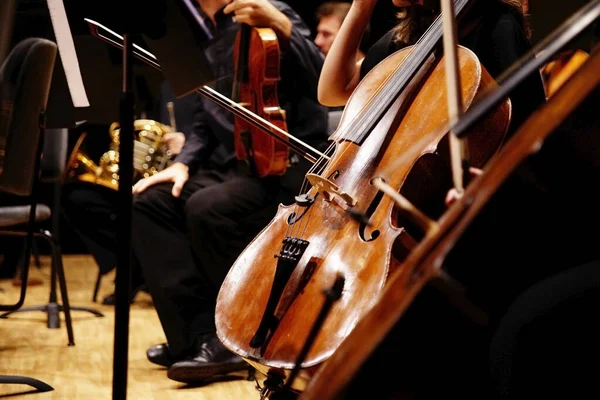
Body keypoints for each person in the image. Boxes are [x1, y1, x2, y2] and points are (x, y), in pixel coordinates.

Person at [316, 0, 549, 397]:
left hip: (466, 209)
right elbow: (333, 92)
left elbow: (531, 126)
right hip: (397, 206)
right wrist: (359, 8)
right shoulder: (402, 39)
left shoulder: (493, 25)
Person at [131, 0, 328, 384]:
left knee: (210, 208)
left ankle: (235, 337)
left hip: (286, 169)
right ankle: (196, 337)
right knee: (151, 203)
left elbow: (324, 82)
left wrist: (282, 25)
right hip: (235, 167)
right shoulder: (207, 36)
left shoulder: (271, 11)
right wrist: (182, 163)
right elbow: (204, 121)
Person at [61, 80, 197, 305]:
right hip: (155, 175)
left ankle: (132, 275)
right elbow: (156, 131)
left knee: (139, 206)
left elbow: (209, 136)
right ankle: (134, 267)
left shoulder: (208, 85)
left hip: (188, 174)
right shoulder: (166, 86)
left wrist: (186, 145)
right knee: (76, 198)